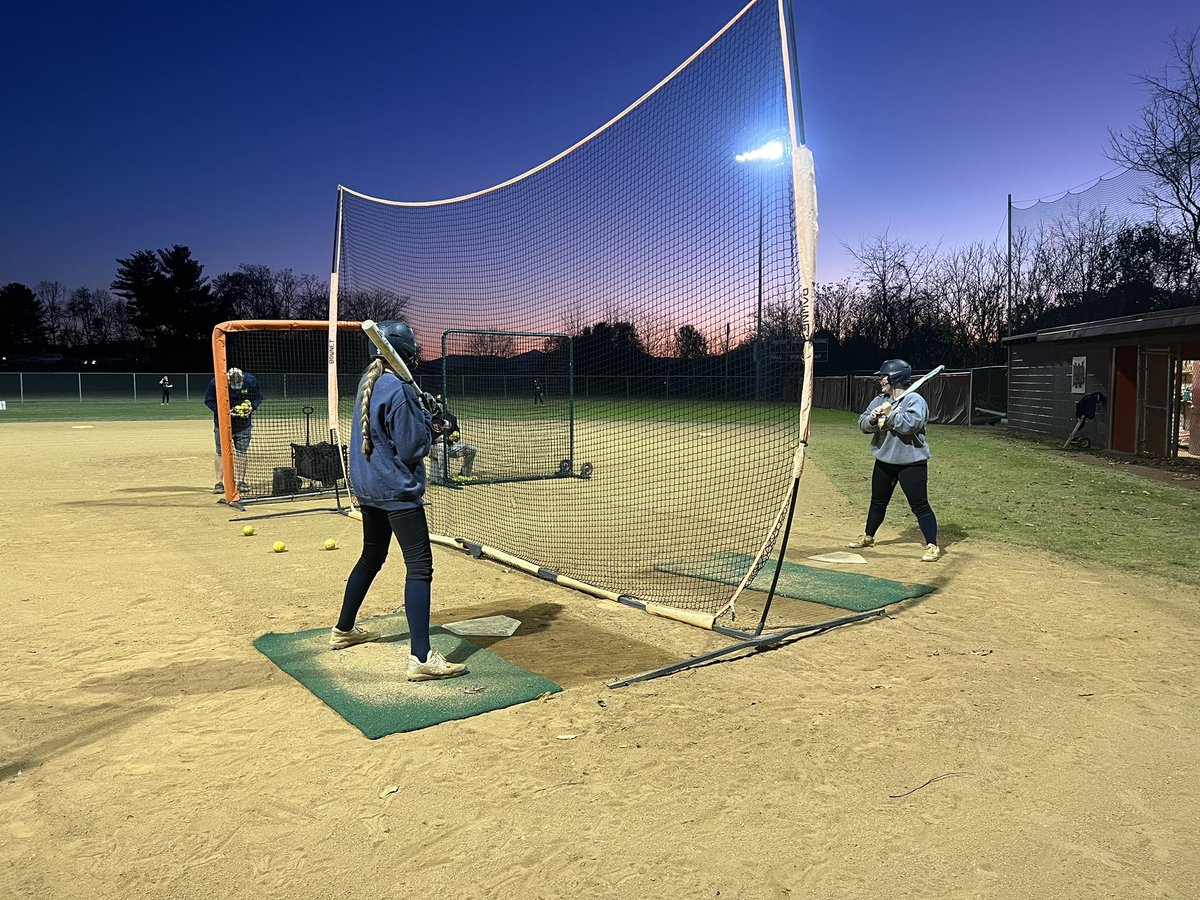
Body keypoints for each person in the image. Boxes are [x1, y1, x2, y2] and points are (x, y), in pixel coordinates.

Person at [330, 320, 468, 682]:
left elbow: (387, 431)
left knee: (372, 556)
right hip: (396, 490)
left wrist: (425, 414)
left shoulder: (371, 380)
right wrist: (435, 427)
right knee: (420, 567)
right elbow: (411, 449)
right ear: (405, 353)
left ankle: (344, 629)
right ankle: (421, 658)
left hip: (369, 487)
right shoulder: (400, 389)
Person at [848, 359, 942, 562]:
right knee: (877, 502)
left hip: (911, 462)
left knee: (919, 505)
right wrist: (873, 418)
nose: (881, 380)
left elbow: (912, 425)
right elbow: (862, 424)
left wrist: (890, 415)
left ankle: (932, 545)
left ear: (895, 378)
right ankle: (868, 536)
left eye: (884, 376)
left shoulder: (914, 400)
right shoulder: (880, 399)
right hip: (885, 461)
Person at [204, 367, 262, 494]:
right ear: (228, 381)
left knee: (242, 452)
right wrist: (224, 412)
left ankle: (241, 482)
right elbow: (208, 401)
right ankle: (219, 483)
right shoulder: (216, 383)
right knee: (220, 452)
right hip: (223, 425)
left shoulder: (250, 381)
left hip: (243, 425)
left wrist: (251, 407)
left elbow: (258, 398)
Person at [429, 396, 478, 481]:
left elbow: (457, 433)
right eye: (437, 402)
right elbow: (426, 437)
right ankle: (445, 477)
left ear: (445, 404)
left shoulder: (452, 418)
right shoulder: (430, 417)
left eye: (441, 403)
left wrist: (456, 437)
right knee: (435, 479)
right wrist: (435, 440)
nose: (438, 404)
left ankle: (465, 473)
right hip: (434, 448)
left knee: (471, 449)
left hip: (450, 447)